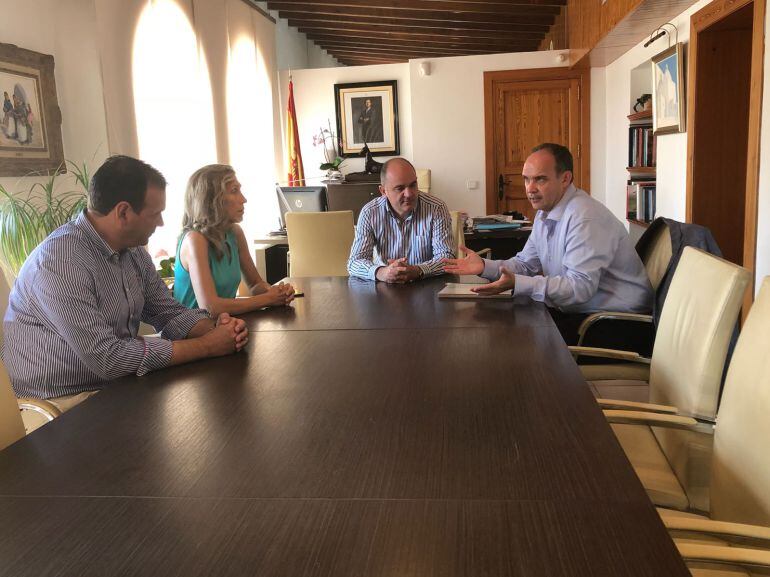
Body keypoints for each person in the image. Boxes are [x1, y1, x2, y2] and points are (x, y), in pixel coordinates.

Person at [1, 155, 248, 409]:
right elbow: (107, 358)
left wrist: (217, 328)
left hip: (110, 385)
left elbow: (168, 312)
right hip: (54, 402)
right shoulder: (60, 261)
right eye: (155, 214)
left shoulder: (133, 250)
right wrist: (207, 346)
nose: (161, 223)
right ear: (123, 213)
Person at [443, 143, 653, 344]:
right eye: (526, 179)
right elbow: (526, 264)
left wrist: (519, 283)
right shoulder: (545, 213)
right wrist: (484, 266)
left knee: (520, 342)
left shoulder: (585, 217)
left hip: (617, 323)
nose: (530, 188)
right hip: (585, 314)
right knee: (501, 329)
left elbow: (580, 288)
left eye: (540, 179)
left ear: (565, 179)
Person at [174, 164, 295, 314]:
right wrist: (269, 299)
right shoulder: (195, 240)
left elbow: (255, 284)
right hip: (192, 333)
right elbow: (211, 307)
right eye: (234, 191)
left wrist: (277, 293)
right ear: (212, 200)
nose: (243, 199)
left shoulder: (235, 233)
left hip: (224, 327)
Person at [347, 157, 454, 283]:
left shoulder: (436, 208)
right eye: (400, 188)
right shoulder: (370, 212)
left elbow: (446, 258)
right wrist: (381, 272)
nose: (409, 194)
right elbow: (354, 262)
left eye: (413, 185)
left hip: (426, 285)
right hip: (385, 288)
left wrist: (418, 270)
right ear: (383, 191)